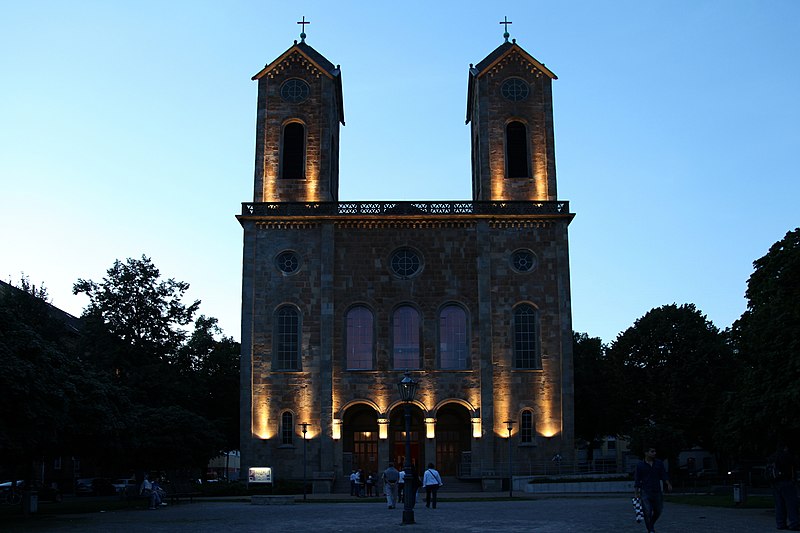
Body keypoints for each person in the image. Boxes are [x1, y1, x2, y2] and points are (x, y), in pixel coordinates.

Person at [634, 446, 672, 533]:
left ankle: (650, 525)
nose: (654, 453)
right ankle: (651, 530)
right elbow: (637, 479)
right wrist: (636, 493)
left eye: (655, 451)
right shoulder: (640, 465)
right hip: (645, 491)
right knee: (647, 512)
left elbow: (663, 474)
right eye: (652, 451)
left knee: (658, 510)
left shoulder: (659, 463)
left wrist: (668, 483)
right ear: (646, 453)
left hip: (657, 491)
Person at [769, 442, 799, 530]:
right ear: (785, 448)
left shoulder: (772, 457)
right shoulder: (787, 456)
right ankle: (794, 523)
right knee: (791, 504)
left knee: (779, 504)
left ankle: (780, 523)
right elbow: (795, 465)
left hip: (775, 483)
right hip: (787, 481)